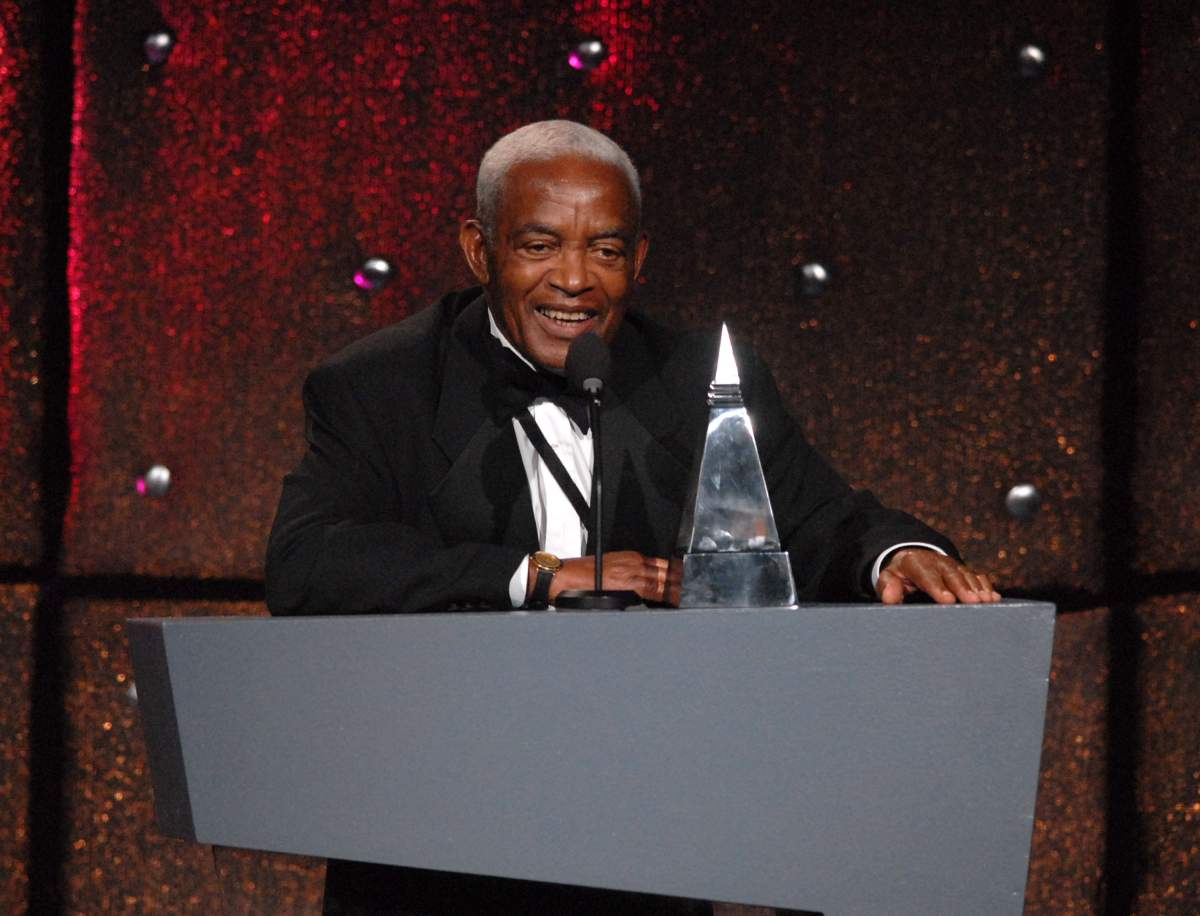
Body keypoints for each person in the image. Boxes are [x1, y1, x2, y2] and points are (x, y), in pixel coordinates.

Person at [266, 120, 999, 914]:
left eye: (606, 252)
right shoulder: (380, 386)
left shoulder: (697, 379)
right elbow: (310, 560)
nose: (575, 280)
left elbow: (820, 517)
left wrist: (895, 554)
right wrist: (540, 576)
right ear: (480, 252)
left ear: (638, 260)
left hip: (649, 849)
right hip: (440, 854)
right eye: (539, 247)